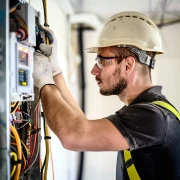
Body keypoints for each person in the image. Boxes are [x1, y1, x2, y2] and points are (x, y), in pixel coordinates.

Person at [33, 11, 180, 180]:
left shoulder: (153, 118)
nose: (94, 70)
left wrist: (44, 81)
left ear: (128, 65)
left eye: (102, 61)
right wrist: (54, 71)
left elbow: (73, 135)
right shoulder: (147, 112)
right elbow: (80, 126)